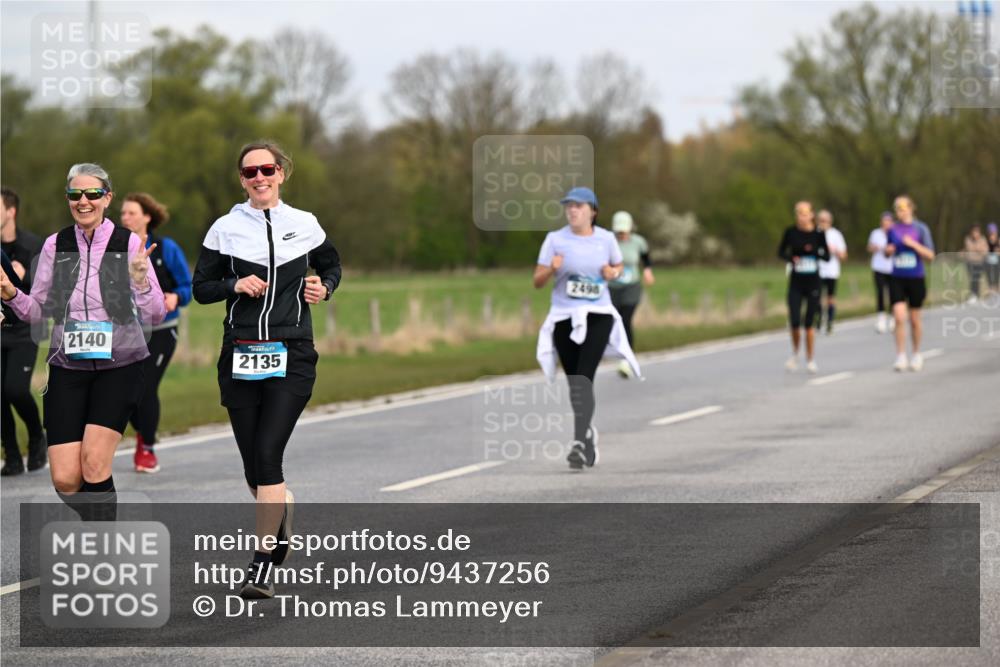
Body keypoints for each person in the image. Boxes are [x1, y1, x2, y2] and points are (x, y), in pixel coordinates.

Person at [192, 141, 341, 599]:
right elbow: (201, 288)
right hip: (240, 353)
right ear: (242, 180)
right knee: (254, 469)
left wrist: (325, 288)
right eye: (250, 171)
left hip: (292, 353)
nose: (259, 177)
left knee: (269, 454)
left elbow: (331, 266)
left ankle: (260, 566)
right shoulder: (225, 229)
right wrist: (234, 282)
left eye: (267, 169)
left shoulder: (305, 224)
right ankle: (280, 513)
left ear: (281, 173)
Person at [0, 163, 164, 520]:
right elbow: (40, 312)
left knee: (93, 463)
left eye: (92, 194)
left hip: (120, 365)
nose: (83, 201)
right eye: (75, 194)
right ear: (68, 199)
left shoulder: (127, 243)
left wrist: (139, 281)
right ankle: (99, 522)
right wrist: (11, 294)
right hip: (68, 366)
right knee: (66, 479)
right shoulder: (55, 244)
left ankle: (103, 555)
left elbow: (153, 316)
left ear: (107, 197)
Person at [534, 187, 640, 471]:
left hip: (598, 315)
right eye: (568, 206)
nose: (572, 211)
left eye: (578, 206)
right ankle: (588, 432)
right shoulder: (554, 240)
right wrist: (551, 268)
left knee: (584, 378)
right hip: (564, 317)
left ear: (592, 211)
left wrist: (612, 273)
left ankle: (580, 441)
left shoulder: (606, 239)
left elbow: (617, 266)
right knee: (574, 383)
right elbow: (537, 280)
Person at [120, 193, 192, 473]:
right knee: (126, 391)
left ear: (147, 216)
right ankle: (143, 430)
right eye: (123, 213)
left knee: (146, 387)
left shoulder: (166, 248)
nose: (125, 218)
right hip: (126, 331)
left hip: (162, 329)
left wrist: (175, 296)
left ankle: (146, 447)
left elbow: (188, 287)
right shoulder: (114, 248)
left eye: (131, 213)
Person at [1, 188, 47, 475]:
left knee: (15, 389)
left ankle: (36, 436)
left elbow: (45, 290)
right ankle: (13, 457)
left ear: (11, 211)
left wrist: (22, 276)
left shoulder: (34, 245)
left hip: (27, 328)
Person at [777, 201, 829, 374]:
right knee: (794, 321)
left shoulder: (818, 234)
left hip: (813, 281)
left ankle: (810, 358)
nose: (802, 216)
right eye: (799, 213)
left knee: (809, 323)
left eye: (805, 213)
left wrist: (814, 253)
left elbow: (826, 255)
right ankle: (795, 353)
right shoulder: (790, 232)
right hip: (796, 281)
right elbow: (781, 252)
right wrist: (792, 259)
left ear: (812, 215)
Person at [885, 195, 935, 372]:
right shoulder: (892, 229)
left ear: (911, 208)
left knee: (914, 319)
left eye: (903, 207)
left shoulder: (920, 228)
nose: (900, 211)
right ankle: (900, 356)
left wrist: (913, 244)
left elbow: (930, 255)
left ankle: (916, 353)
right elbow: (887, 251)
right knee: (899, 317)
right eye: (897, 208)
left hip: (916, 277)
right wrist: (888, 251)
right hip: (897, 277)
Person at [608, 210, 654, 378]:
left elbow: (646, 258)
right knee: (612, 321)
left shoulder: (638, 242)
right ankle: (616, 351)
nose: (621, 234)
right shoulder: (609, 242)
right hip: (611, 287)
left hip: (631, 287)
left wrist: (648, 271)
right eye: (618, 231)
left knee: (625, 320)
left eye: (624, 231)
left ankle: (625, 360)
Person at [817, 209, 847, 335]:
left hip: (831, 271)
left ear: (830, 221)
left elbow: (844, 255)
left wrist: (834, 251)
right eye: (820, 220)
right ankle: (818, 319)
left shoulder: (836, 235)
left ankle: (830, 321)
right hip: (817, 270)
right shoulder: (815, 233)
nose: (823, 223)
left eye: (825, 220)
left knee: (830, 297)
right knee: (816, 296)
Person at [867, 212, 895, 333]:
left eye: (888, 221)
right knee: (880, 292)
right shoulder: (875, 233)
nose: (886, 224)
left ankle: (893, 317)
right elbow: (869, 247)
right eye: (884, 221)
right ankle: (881, 318)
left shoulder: (895, 233)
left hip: (893, 268)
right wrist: (876, 247)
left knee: (893, 293)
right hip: (878, 267)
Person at [963, 224, 988, 304]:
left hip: (979, 263)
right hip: (970, 262)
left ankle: (976, 294)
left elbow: (985, 251)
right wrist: (978, 249)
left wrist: (977, 249)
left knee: (976, 279)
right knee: (972, 279)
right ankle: (973, 295)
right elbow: (969, 248)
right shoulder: (968, 239)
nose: (975, 234)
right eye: (974, 232)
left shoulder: (983, 239)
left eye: (976, 232)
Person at [986, 223, 1000, 294]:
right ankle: (991, 291)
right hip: (988, 261)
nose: (992, 234)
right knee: (989, 277)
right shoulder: (986, 241)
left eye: (994, 232)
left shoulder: (998, 241)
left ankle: (997, 290)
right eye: (991, 232)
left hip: (997, 261)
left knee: (996, 276)